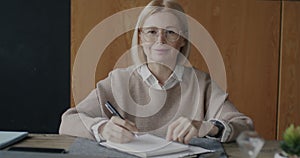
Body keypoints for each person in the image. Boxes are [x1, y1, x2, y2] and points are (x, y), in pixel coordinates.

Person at [59, 0, 253, 144]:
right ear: (141, 38)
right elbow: (67, 122)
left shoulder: (202, 84)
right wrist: (102, 129)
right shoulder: (118, 80)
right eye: (152, 32)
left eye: (170, 32)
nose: (160, 40)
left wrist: (209, 127)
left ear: (183, 39)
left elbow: (244, 125)